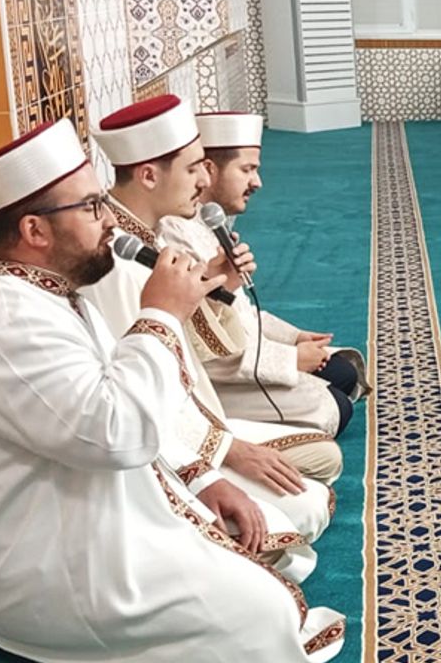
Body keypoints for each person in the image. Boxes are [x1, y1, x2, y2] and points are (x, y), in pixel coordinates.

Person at [0, 119, 345, 663]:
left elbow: (126, 403)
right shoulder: (10, 319)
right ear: (35, 231)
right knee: (264, 611)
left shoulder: (52, 293)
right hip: (55, 557)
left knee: (265, 582)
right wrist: (161, 313)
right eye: (91, 207)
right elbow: (115, 433)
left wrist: (200, 478)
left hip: (107, 503)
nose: (109, 218)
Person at [83, 96, 337, 582]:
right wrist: (227, 451)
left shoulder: (151, 239)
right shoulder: (116, 265)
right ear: (149, 175)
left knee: (317, 478)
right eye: (194, 167)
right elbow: (141, 392)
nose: (205, 181)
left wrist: (221, 289)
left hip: (200, 420)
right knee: (305, 509)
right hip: (164, 447)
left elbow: (199, 350)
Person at [160, 112, 367, 438]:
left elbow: (240, 310)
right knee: (338, 405)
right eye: (247, 170)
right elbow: (205, 343)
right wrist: (291, 359)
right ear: (209, 170)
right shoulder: (175, 234)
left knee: (344, 373)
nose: (257, 182)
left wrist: (294, 337)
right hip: (222, 378)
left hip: (247, 352)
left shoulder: (210, 222)